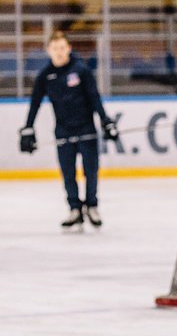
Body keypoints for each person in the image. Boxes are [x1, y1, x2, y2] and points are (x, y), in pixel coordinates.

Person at [19, 30, 119, 230]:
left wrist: (106, 120)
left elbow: (94, 97)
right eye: (55, 49)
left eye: (62, 48)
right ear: (49, 50)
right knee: (68, 172)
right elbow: (35, 103)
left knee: (91, 171)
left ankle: (92, 206)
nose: (59, 52)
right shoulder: (45, 75)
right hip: (63, 131)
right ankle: (74, 208)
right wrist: (28, 128)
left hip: (86, 128)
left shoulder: (81, 70)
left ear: (69, 49)